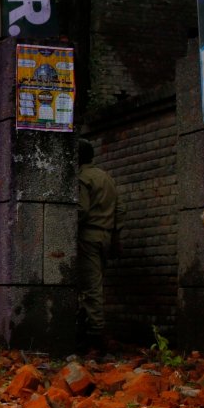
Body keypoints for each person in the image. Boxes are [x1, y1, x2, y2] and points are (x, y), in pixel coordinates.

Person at [76, 139, 122, 353]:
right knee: (94, 283)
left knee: (91, 287)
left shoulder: (82, 178)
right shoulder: (107, 177)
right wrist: (115, 236)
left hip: (88, 236)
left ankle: (96, 334)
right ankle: (89, 330)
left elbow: (82, 210)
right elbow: (120, 210)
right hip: (106, 236)